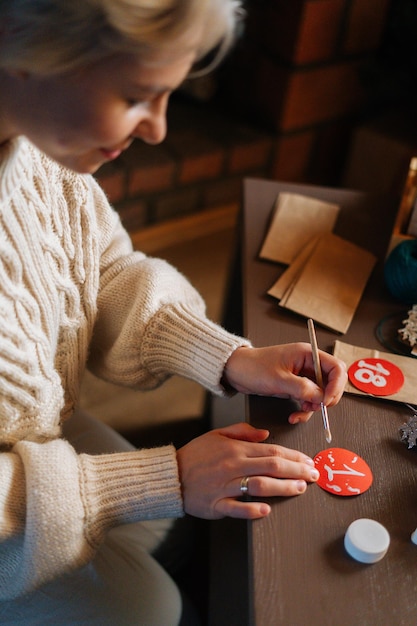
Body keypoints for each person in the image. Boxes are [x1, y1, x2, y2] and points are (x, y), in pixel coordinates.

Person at [0, 1, 347, 624]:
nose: (158, 129)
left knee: (180, 532)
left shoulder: (36, 144)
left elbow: (101, 271)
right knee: (159, 611)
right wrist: (162, 479)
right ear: (23, 50)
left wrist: (229, 356)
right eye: (138, 95)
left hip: (29, 433)